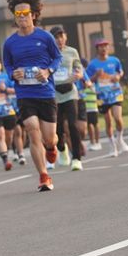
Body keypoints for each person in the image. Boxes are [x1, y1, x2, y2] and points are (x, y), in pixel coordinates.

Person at [2, 0, 61, 191]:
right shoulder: (10, 42)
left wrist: (47, 71)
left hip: (45, 93)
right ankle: (44, 176)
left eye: (25, 13)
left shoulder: (45, 37)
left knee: (49, 138)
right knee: (32, 130)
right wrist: (13, 74)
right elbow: (7, 65)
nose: (21, 17)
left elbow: (57, 58)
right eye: (17, 14)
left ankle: (51, 147)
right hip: (25, 94)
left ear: (33, 15)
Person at [86, 39, 128, 157]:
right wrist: (96, 75)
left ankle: (120, 138)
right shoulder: (92, 64)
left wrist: (118, 76)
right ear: (97, 49)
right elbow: (88, 80)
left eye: (105, 46)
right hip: (102, 96)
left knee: (118, 118)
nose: (104, 48)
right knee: (108, 121)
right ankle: (112, 145)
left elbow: (120, 71)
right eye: (101, 46)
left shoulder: (114, 60)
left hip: (115, 93)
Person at [49, 26, 84, 171]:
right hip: (54, 94)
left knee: (73, 125)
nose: (59, 39)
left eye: (61, 36)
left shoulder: (72, 51)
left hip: (70, 93)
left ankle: (76, 158)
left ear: (66, 37)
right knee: (56, 128)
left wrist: (79, 74)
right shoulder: (47, 53)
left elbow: (78, 67)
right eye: (56, 37)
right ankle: (62, 149)